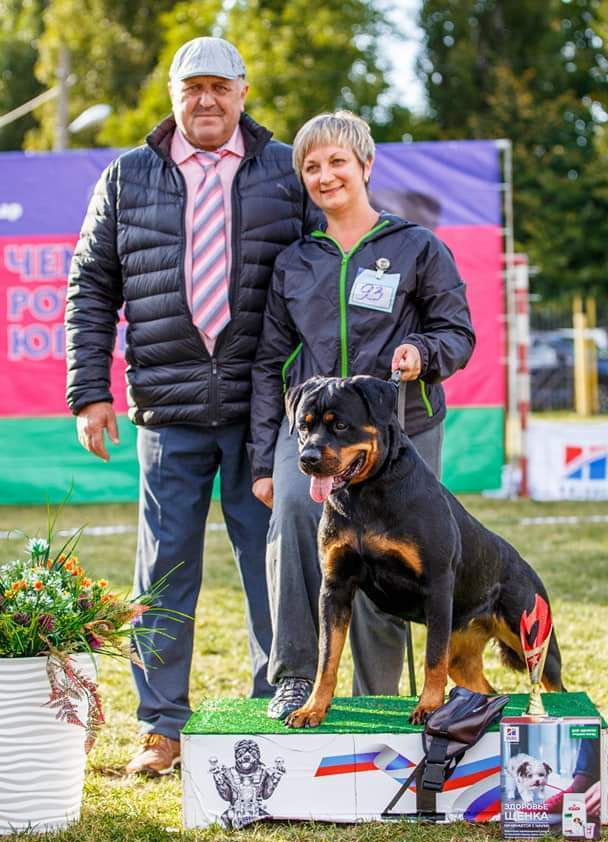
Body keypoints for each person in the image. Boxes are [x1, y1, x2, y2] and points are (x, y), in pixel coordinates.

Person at [65, 37, 314, 775]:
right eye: (192, 87)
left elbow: (316, 277)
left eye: (220, 87)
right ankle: (162, 728)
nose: (206, 100)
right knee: (162, 575)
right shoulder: (127, 176)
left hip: (262, 412)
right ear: (173, 95)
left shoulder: (284, 171)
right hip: (166, 413)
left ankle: (280, 705)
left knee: (274, 566)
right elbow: (90, 289)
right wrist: (88, 392)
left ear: (243, 91)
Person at [249, 111, 475, 720]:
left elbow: (457, 332)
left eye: (337, 163)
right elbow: (271, 361)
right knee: (298, 516)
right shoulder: (295, 262)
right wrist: (262, 461)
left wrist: (423, 353)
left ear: (366, 166)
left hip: (404, 433)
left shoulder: (417, 246)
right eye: (312, 167)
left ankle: (377, 696)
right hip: (316, 436)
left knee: (391, 552)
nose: (325, 176)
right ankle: (293, 677)